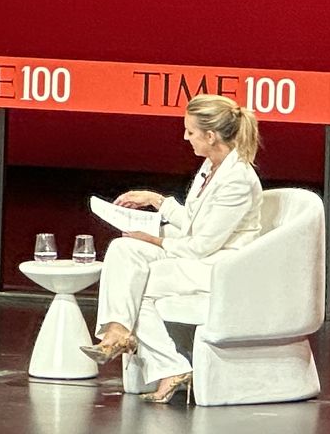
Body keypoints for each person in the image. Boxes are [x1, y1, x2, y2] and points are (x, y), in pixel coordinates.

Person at [81, 93, 263, 403]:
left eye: (190, 131)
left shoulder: (238, 180)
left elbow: (202, 246)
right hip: (198, 257)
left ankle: (167, 364)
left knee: (140, 283)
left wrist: (154, 239)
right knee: (123, 248)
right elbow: (192, 221)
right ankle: (116, 332)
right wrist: (156, 201)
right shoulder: (211, 166)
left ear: (211, 135)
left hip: (222, 266)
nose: (185, 137)